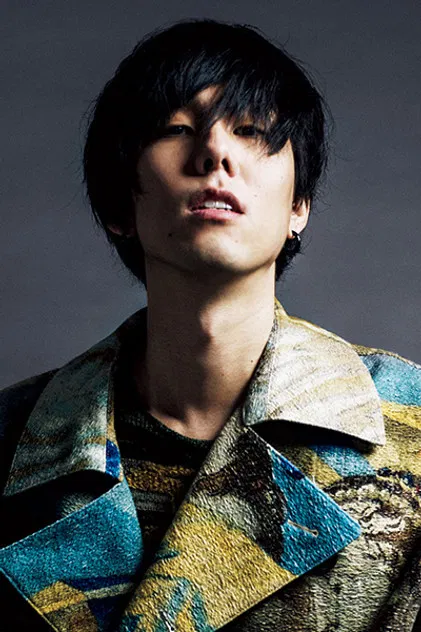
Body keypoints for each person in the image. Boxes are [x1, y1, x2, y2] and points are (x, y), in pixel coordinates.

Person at [0, 18, 420, 632]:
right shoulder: (13, 439)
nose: (215, 154)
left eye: (251, 131)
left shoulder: (411, 428)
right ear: (119, 205)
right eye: (177, 129)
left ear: (299, 205)